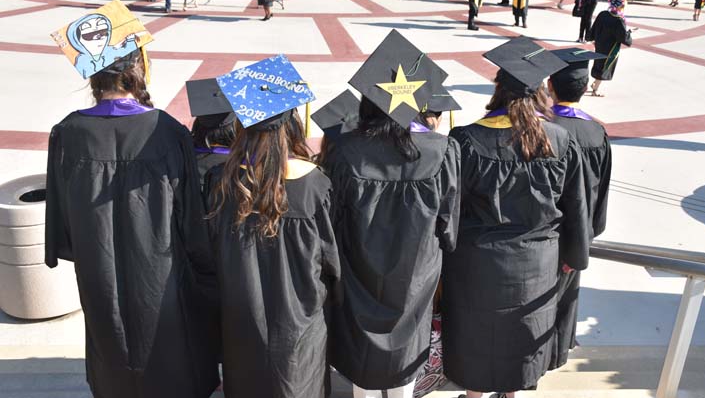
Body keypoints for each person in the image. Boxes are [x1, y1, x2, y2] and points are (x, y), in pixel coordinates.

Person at [45, 8, 220, 398]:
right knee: (169, 350)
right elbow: (190, 218)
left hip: (98, 268)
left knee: (110, 341)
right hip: (160, 269)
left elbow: (62, 218)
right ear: (137, 67)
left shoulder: (68, 134)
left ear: (94, 74)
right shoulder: (167, 131)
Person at [442, 37, 591, 398]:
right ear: (541, 91)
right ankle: (511, 393)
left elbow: (450, 211)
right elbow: (576, 205)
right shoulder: (558, 139)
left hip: (476, 264)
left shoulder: (464, 139)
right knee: (521, 334)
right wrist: (575, 257)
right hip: (536, 266)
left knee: (476, 332)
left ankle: (474, 395)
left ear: (497, 90)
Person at [327, 30, 461, 398]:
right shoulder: (443, 151)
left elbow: (332, 225)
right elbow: (449, 228)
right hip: (415, 276)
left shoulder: (344, 152)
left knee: (364, 369)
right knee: (404, 368)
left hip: (359, 274)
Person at [203, 56, 340, 398]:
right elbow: (331, 264)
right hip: (300, 328)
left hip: (241, 324)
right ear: (291, 124)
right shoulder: (313, 185)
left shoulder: (221, 182)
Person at [547, 48, 613, 371]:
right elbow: (600, 193)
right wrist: (587, 234)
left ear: (549, 86)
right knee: (566, 297)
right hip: (577, 237)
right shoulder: (596, 132)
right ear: (585, 88)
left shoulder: (541, 130)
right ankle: (559, 352)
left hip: (544, 235)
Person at [588, 0, 633, 97]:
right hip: (610, 47)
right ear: (621, 6)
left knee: (599, 63)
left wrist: (592, 39)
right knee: (605, 65)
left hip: (599, 44)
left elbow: (594, 27)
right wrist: (629, 33)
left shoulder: (603, 14)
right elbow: (622, 37)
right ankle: (595, 89)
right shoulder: (618, 20)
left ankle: (595, 83)